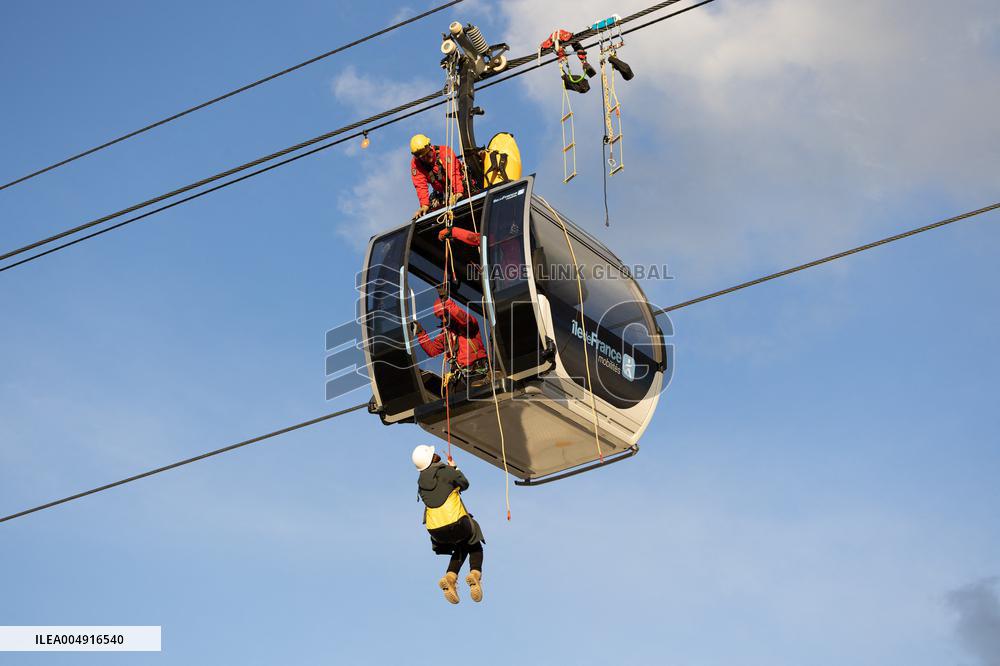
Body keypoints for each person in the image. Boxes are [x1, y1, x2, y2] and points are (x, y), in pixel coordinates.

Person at [412, 444, 485, 604]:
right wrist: (455, 468)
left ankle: (450, 577)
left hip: (436, 531)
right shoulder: (445, 471)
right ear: (432, 458)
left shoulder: (421, 483)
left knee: (462, 544)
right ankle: (475, 574)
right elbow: (465, 484)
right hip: (456, 523)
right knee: (474, 539)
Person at [411, 284, 489, 391]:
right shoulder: (446, 334)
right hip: (460, 376)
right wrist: (421, 333)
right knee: (454, 403)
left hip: (477, 372)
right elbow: (433, 351)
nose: (443, 320)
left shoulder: (468, 324)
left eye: (445, 316)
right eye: (440, 318)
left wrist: (447, 302)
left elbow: (463, 318)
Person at [410, 134, 465, 220]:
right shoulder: (416, 164)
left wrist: (458, 191)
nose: (426, 158)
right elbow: (420, 185)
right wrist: (424, 205)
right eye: (422, 157)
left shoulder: (444, 152)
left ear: (430, 146)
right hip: (442, 193)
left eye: (427, 154)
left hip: (460, 184)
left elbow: (453, 173)